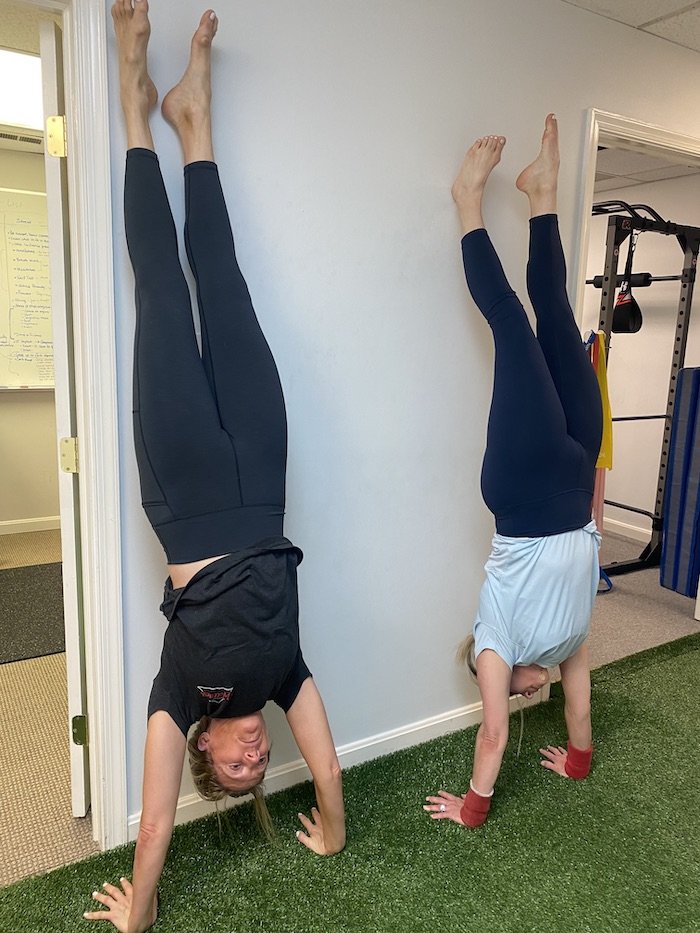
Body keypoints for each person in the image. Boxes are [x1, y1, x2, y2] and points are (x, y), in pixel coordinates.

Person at [85, 3, 345, 929]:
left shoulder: (178, 692)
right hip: (265, 472)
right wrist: (336, 829)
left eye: (229, 770)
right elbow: (327, 766)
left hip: (190, 490)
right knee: (226, 284)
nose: (248, 764)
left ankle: (132, 106)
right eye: (254, 768)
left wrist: (139, 912)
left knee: (161, 286)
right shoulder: (285, 677)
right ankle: (194, 122)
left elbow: (154, 822)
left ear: (199, 742)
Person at [424, 115, 603, 829]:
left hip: (525, 488)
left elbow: (492, 735)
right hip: (575, 469)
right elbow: (580, 702)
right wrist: (580, 758)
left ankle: (467, 201)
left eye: (511, 690)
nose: (528, 693)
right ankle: (540, 193)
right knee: (558, 316)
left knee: (513, 326)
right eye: (533, 691)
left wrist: (471, 807)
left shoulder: (494, 646)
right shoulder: (567, 643)